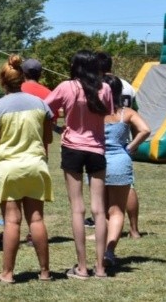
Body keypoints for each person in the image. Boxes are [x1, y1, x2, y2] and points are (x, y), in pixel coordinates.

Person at [0, 55, 54, 283]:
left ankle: (8, 273)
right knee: (37, 220)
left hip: (8, 168)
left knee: (12, 221)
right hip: (35, 166)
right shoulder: (40, 104)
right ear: (22, 78)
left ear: (2, 81)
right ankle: (45, 272)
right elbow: (48, 138)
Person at [44, 50, 113, 279]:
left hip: (72, 148)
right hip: (97, 149)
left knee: (77, 208)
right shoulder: (105, 88)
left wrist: (57, 128)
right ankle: (100, 268)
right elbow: (108, 114)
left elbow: (44, 108)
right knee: (99, 209)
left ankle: (82, 267)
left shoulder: (67, 86)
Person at [102, 75, 150, 267]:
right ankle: (109, 251)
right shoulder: (126, 113)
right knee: (116, 211)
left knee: (101, 211)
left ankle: (100, 251)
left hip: (98, 162)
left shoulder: (93, 113)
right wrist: (130, 147)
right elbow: (145, 130)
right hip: (120, 161)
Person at [95, 51, 142, 238]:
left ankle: (106, 231)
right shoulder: (127, 86)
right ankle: (134, 229)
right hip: (124, 142)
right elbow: (136, 113)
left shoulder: (98, 85)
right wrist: (133, 144)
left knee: (104, 194)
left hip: (106, 146)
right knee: (128, 186)